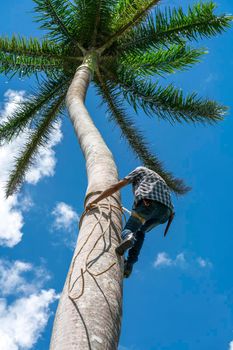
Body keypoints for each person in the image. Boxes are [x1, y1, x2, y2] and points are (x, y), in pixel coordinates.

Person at [86, 166, 174, 278]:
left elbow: (115, 187)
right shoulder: (160, 180)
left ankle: (128, 237)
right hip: (165, 213)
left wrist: (95, 201)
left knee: (129, 230)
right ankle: (129, 264)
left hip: (149, 203)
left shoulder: (140, 170)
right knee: (141, 231)